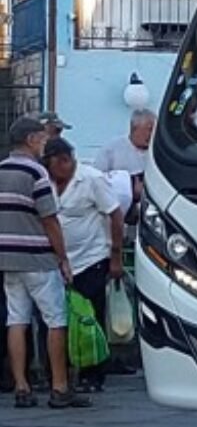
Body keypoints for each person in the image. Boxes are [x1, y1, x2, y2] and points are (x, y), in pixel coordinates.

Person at [0, 116, 89, 409]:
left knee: (16, 318)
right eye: (41, 139)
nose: (44, 145)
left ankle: (22, 387)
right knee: (55, 320)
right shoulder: (36, 173)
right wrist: (63, 258)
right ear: (29, 140)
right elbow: (49, 220)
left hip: (8, 256)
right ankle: (60, 386)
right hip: (38, 257)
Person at [43, 138, 124, 392]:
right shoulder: (45, 181)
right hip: (56, 260)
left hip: (90, 257)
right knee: (58, 316)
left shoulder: (92, 179)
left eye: (56, 165)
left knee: (90, 316)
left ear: (66, 160)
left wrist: (116, 255)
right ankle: (60, 370)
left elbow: (115, 214)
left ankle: (93, 373)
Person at [95, 108, 155, 216]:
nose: (152, 134)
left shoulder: (157, 151)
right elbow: (97, 179)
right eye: (149, 129)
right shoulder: (112, 149)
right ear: (134, 128)